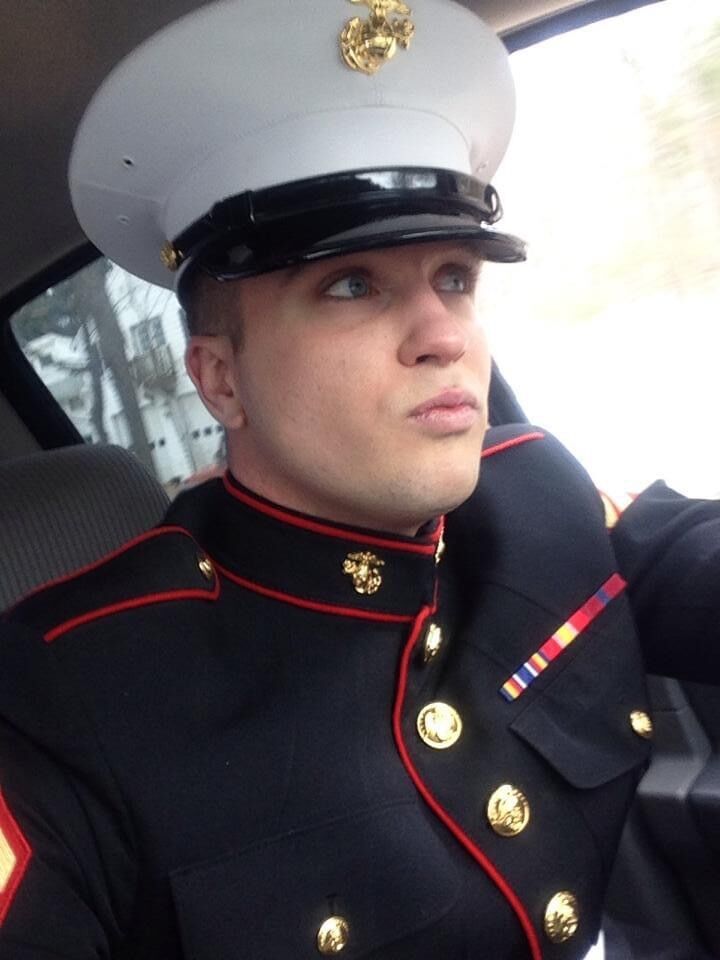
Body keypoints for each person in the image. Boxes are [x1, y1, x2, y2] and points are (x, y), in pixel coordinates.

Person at [0, 0, 717, 958]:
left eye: (454, 276)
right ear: (221, 380)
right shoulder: (64, 694)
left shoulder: (537, 490)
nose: (444, 335)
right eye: (353, 285)